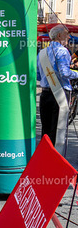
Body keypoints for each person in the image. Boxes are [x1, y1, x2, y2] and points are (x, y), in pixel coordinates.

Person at [37, 24, 78, 156]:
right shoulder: (63, 51)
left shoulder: (42, 53)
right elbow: (64, 73)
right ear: (59, 36)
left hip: (45, 93)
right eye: (67, 34)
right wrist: (76, 74)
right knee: (58, 130)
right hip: (59, 94)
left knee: (46, 130)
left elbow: (38, 75)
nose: (69, 37)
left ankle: (45, 156)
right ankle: (55, 159)